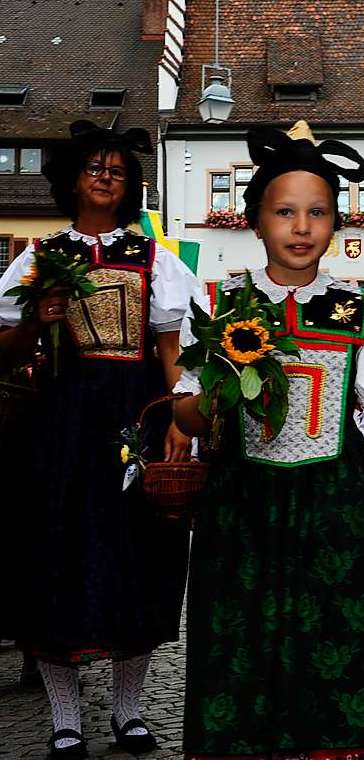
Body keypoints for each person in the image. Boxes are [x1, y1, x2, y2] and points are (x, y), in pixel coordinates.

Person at [172, 126, 364, 759]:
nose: (301, 226)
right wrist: (215, 382)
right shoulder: (217, 304)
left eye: (317, 212)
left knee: (333, 648)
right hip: (242, 506)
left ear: (336, 225)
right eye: (284, 211)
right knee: (241, 645)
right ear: (255, 221)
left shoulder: (357, 313)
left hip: (332, 508)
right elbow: (185, 415)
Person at [0, 121, 199, 758]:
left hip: (132, 420)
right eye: (94, 167)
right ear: (73, 179)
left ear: (130, 182)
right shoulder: (38, 258)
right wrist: (37, 316)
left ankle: (127, 710)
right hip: (58, 428)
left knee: (135, 555)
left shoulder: (154, 260)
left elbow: (173, 347)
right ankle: (65, 718)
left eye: (116, 168)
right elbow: (4, 352)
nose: (106, 176)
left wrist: (177, 420)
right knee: (56, 559)